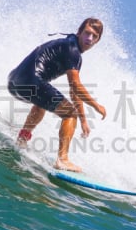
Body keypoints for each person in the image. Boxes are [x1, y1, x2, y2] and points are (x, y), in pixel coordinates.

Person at [7, 17, 107, 172]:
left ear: (97, 41)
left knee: (42, 104)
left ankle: (22, 139)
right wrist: (96, 105)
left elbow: (74, 91)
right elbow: (75, 84)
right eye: (87, 33)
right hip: (29, 81)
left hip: (14, 81)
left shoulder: (68, 46)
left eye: (94, 36)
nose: (89, 38)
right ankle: (63, 160)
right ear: (79, 32)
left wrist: (83, 120)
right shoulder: (72, 50)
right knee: (69, 113)